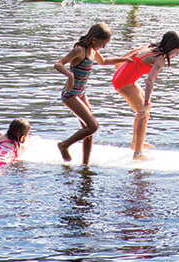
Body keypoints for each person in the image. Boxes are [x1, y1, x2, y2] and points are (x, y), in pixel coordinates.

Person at [54, 22, 127, 165]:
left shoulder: (93, 51)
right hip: (70, 94)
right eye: (103, 44)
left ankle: (85, 164)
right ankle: (64, 145)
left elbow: (104, 61)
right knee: (93, 126)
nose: (104, 47)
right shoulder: (79, 50)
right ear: (94, 40)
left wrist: (124, 59)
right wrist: (70, 75)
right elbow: (58, 64)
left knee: (89, 130)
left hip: (81, 93)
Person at [111, 31, 179, 159]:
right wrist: (146, 101)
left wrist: (119, 65)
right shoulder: (160, 59)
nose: (177, 55)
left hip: (122, 77)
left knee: (144, 111)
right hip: (124, 82)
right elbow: (149, 81)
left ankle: (135, 143)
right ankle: (137, 153)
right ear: (169, 48)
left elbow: (133, 52)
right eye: (176, 52)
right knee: (143, 113)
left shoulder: (151, 47)